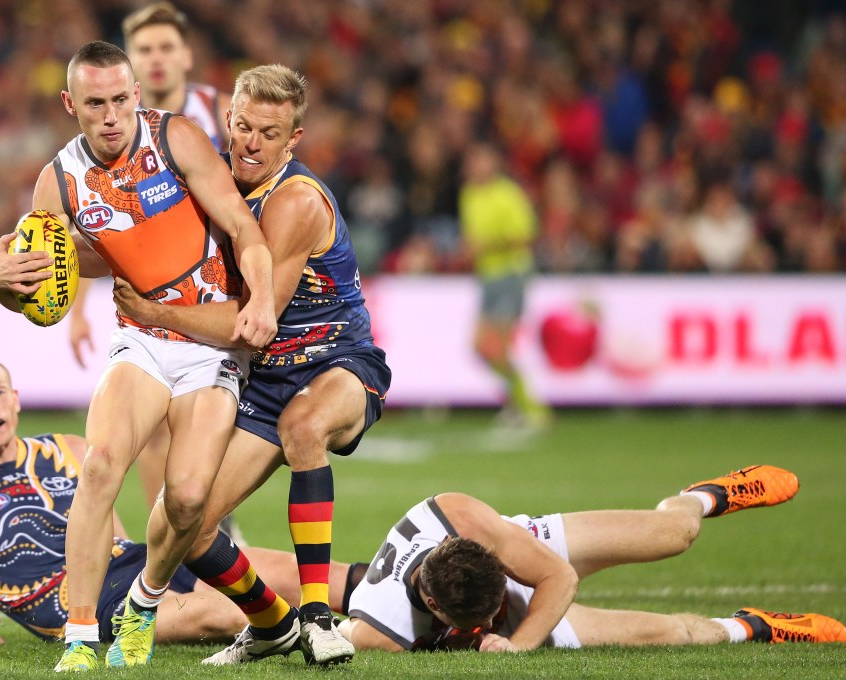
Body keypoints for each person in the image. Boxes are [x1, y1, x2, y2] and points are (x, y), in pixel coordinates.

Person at [0, 41, 280, 672]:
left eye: (120, 99)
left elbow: (245, 229)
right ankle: (82, 636)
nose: (111, 115)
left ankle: (143, 603)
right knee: (101, 464)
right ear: (70, 105)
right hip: (139, 337)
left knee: (190, 498)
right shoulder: (56, 183)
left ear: (136, 95)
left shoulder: (180, 140)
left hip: (210, 340)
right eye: (95, 103)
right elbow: (43, 292)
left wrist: (264, 297)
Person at [109, 64, 392, 667]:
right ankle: (273, 623)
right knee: (181, 524)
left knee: (304, 427)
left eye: (269, 133)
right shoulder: (212, 173)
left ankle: (318, 616)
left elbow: (252, 323)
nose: (251, 144)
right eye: (242, 127)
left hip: (334, 359)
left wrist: (155, 312)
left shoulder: (293, 201)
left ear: (294, 139)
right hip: (263, 380)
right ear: (229, 119)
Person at [0, 356, 366, 649]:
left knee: (302, 573)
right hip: (82, 602)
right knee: (218, 612)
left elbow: (117, 532)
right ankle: (353, 635)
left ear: (17, 400)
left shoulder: (70, 449)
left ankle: (409, 595)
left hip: (132, 562)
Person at [342, 465, 846, 652]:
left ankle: (707, 495)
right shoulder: (379, 631)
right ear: (431, 602)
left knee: (675, 533)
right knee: (675, 633)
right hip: (482, 581)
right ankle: (756, 626)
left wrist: (518, 645)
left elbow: (556, 576)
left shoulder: (458, 516)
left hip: (524, 551)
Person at [66, 2, 233, 514]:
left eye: (165, 48)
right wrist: (77, 309)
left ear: (186, 56)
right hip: (151, 309)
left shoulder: (219, 115)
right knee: (154, 430)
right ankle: (175, 542)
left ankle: (208, 531)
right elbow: (107, 229)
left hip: (221, 296)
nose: (156, 58)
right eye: (144, 49)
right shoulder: (107, 135)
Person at [458, 142, 550, 430]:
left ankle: (533, 409)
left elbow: (526, 235)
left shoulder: (508, 194)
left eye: (481, 159)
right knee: (480, 347)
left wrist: (487, 245)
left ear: (493, 162)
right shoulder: (469, 195)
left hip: (511, 274)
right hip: (487, 277)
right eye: (472, 161)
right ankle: (517, 404)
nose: (476, 166)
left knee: (497, 346)